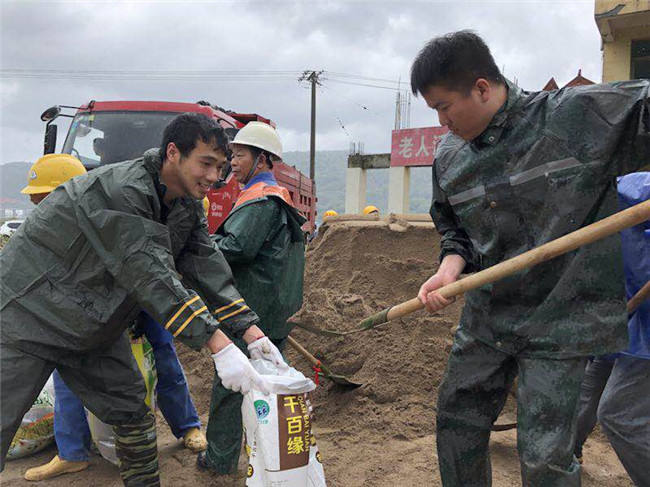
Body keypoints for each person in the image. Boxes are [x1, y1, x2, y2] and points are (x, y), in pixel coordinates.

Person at [410, 30, 649, 486]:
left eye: (444, 106)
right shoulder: (450, 155)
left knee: (544, 457)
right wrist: (449, 268)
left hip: (560, 320)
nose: (441, 121)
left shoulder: (575, 118)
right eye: (434, 110)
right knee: (456, 424)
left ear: (482, 87)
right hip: (488, 316)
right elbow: (456, 230)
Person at [1, 113, 286, 487]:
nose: (214, 176)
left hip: (91, 323)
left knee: (131, 412)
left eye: (221, 167)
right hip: (27, 316)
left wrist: (250, 332)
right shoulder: (122, 190)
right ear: (173, 153)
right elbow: (148, 271)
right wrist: (218, 345)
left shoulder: (184, 203)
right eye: (206, 163)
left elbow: (205, 264)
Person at [19, 154, 208, 482]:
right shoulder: (52, 227)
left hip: (139, 298)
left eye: (43, 199)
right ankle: (71, 452)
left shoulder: (112, 208)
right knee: (66, 370)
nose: (41, 209)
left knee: (164, 357)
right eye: (37, 202)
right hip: (88, 309)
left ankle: (187, 426)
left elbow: (141, 263)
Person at [197, 122, 306, 475]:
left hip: (249, 309)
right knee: (271, 383)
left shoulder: (261, 201)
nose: (233, 163)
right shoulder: (269, 197)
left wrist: (199, 245)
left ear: (262, 159)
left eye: (240, 155)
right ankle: (276, 456)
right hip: (271, 308)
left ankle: (219, 458)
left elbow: (236, 247)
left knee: (231, 385)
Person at [573, 172, 650, 486]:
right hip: (624, 314)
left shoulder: (634, 191)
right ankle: (569, 451)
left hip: (645, 327)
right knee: (588, 385)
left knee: (619, 413)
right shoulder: (578, 214)